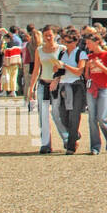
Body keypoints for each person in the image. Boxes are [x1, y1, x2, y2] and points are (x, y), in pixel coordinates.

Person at [27, 26, 67, 154]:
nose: (48, 38)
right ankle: (46, 144)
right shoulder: (39, 50)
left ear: (55, 35)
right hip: (43, 84)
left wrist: (59, 76)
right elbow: (36, 69)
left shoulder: (62, 49)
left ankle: (67, 138)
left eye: (50, 35)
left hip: (57, 85)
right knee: (43, 115)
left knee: (57, 114)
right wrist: (31, 87)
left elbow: (66, 68)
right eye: (46, 36)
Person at [82, 32, 107, 154]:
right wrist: (87, 67)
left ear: (97, 42)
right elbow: (87, 76)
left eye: (89, 43)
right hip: (92, 88)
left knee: (101, 117)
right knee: (92, 118)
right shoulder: (89, 56)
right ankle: (95, 146)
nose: (87, 46)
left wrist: (100, 66)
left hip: (105, 88)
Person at [56, 29, 87, 153]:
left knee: (74, 115)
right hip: (63, 85)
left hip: (76, 85)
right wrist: (57, 68)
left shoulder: (81, 53)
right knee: (62, 115)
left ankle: (71, 146)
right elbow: (59, 70)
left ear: (75, 41)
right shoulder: (61, 54)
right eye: (65, 41)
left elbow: (79, 71)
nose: (66, 43)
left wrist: (64, 66)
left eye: (69, 41)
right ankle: (74, 134)